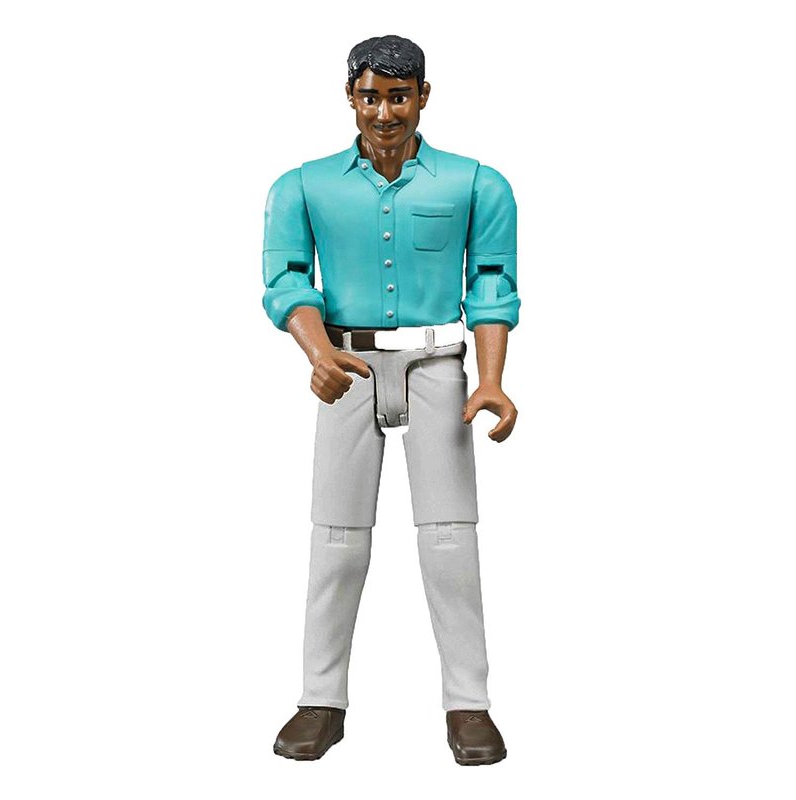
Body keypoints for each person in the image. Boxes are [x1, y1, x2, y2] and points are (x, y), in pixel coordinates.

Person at [262, 34, 520, 765]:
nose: (384, 113)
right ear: (350, 97)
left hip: (439, 364)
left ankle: (468, 703)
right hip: (347, 365)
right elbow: (287, 280)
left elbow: (491, 285)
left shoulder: (476, 184)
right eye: (370, 96)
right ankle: (321, 697)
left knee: (450, 542)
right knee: (337, 541)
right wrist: (317, 352)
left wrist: (492, 378)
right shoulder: (302, 186)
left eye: (398, 97)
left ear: (423, 97)